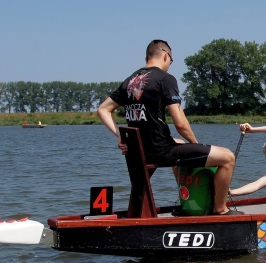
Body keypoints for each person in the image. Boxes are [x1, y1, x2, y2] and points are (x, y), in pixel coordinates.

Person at [98, 40, 239, 215]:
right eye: (170, 61)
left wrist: (120, 135)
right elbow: (180, 123)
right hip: (160, 151)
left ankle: (185, 200)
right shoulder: (166, 79)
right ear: (166, 56)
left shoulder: (130, 81)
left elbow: (103, 109)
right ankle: (220, 208)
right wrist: (197, 145)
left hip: (139, 150)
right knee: (227, 158)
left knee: (178, 142)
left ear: (146, 58)